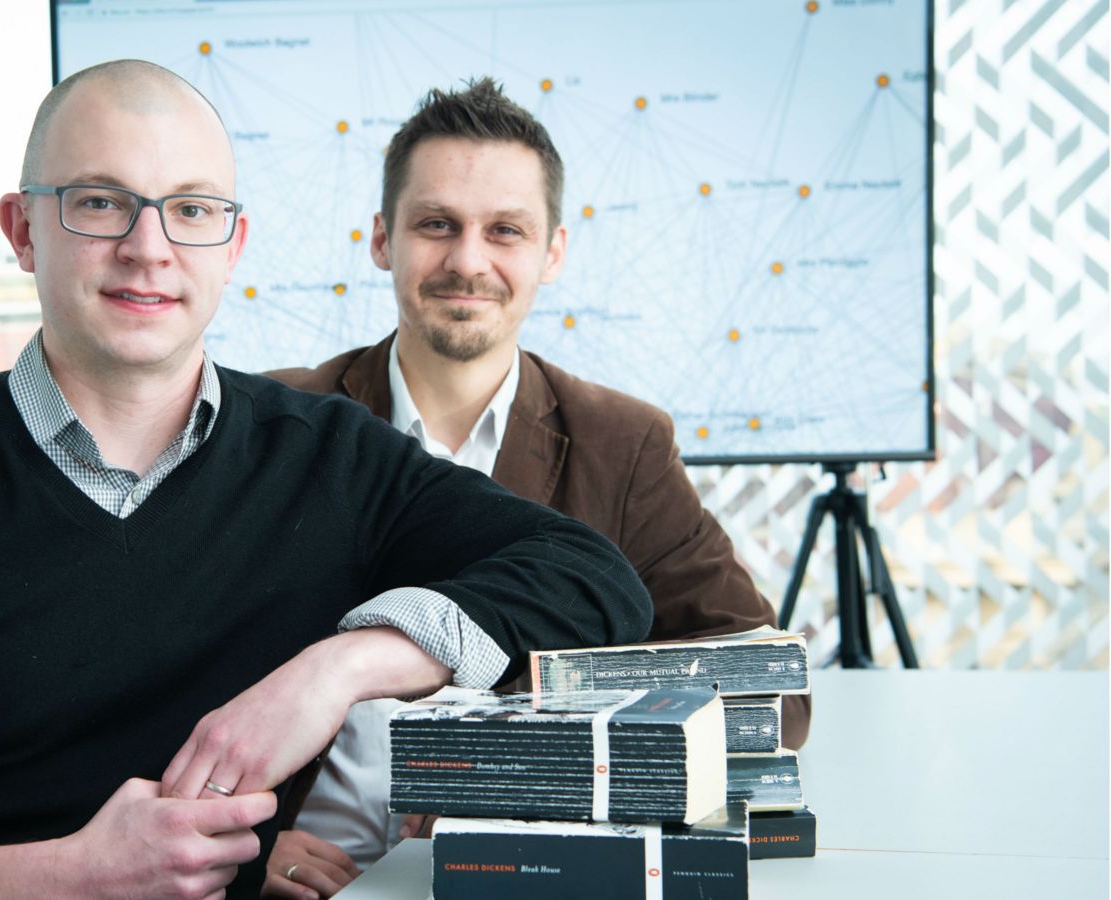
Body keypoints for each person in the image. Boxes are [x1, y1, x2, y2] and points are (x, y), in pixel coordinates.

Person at [0, 61, 654, 900]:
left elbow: (592, 578)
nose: (149, 247)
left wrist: (339, 671)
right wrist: (67, 878)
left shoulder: (328, 458)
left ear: (233, 245)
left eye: (192, 209)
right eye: (99, 203)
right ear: (22, 230)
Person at [265, 78, 812, 898]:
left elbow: (768, 689)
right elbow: (146, 672)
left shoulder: (622, 444)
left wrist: (503, 776)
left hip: (523, 878)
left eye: (506, 231)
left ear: (553, 252)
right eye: (435, 224)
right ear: (382, 239)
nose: (467, 260)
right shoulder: (276, 425)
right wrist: (236, 849)